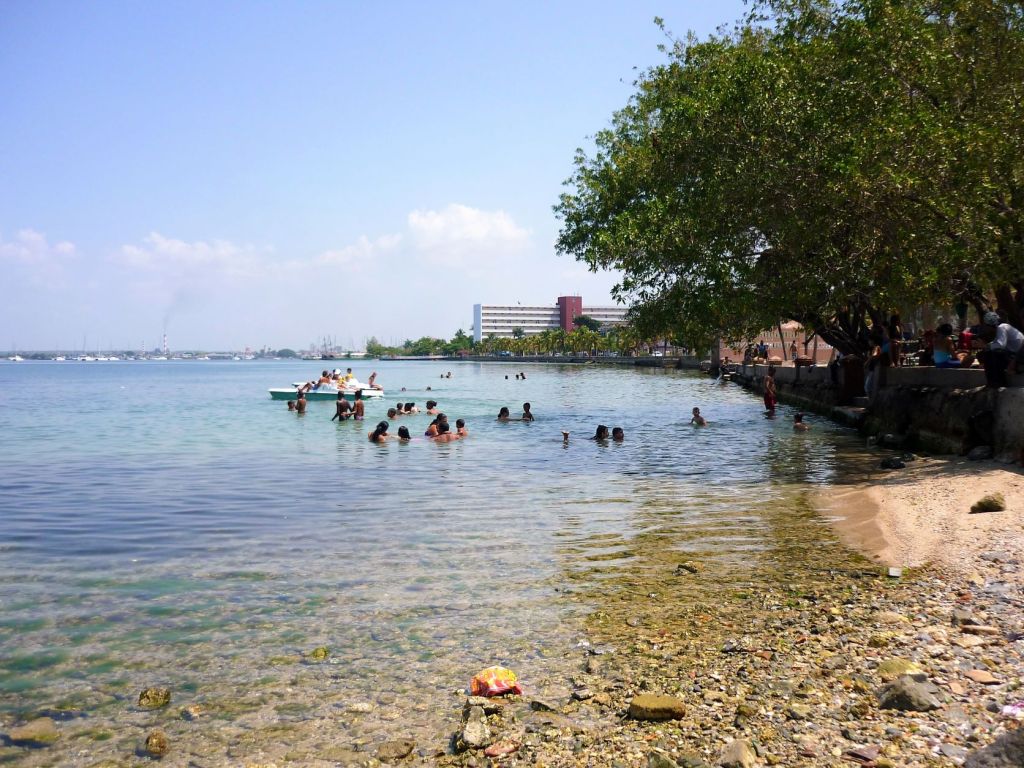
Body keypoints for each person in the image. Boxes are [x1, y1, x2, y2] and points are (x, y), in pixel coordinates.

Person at [978, 311, 1024, 387]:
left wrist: (986, 346)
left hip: (1018, 357)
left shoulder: (1001, 327)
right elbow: (996, 343)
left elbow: (1000, 345)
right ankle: (994, 382)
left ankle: (997, 382)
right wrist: (986, 346)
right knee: (987, 353)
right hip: (1016, 355)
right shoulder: (1002, 328)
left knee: (993, 354)